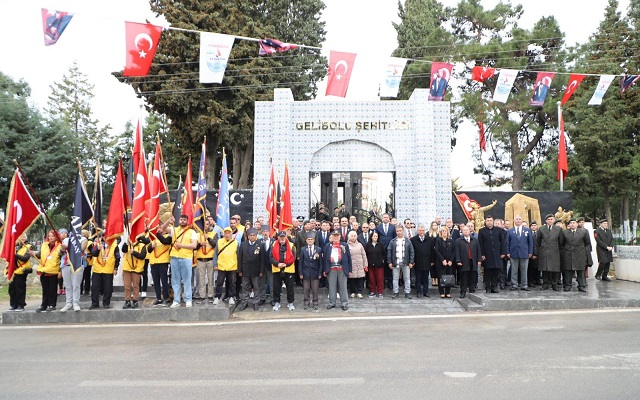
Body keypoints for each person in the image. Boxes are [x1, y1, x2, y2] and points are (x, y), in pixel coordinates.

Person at [167, 214, 198, 308]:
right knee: (175, 280)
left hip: (186, 258)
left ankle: (188, 299)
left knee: (187, 280)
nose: (183, 221)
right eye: (181, 219)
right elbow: (164, 229)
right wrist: (168, 221)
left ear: (187, 221)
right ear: (179, 220)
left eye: (184, 219)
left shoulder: (192, 232)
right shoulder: (174, 229)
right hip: (174, 258)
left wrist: (182, 246)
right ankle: (176, 300)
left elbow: (194, 245)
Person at [33, 230, 63, 312]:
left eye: (52, 236)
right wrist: (34, 254)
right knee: (45, 289)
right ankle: (44, 305)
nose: (51, 238)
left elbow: (62, 259)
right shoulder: (44, 245)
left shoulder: (60, 246)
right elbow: (39, 255)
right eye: (49, 236)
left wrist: (60, 271)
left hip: (54, 271)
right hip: (44, 270)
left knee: (52, 289)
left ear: (56, 237)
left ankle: (52, 304)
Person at [88, 233, 119, 309]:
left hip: (108, 269)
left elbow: (117, 257)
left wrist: (115, 268)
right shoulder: (97, 243)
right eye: (105, 237)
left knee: (108, 288)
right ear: (103, 237)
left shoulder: (114, 245)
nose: (107, 238)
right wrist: (98, 249)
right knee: (95, 287)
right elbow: (94, 254)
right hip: (97, 269)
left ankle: (106, 303)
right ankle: (95, 303)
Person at [560, 219, 593, 292]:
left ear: (577, 224)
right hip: (568, 254)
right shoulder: (564, 233)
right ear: (568, 225)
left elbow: (587, 242)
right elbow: (561, 243)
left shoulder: (583, 232)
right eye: (570, 223)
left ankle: (582, 286)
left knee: (581, 271)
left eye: (574, 223)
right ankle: (567, 285)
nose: (572, 224)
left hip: (580, 254)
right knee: (568, 271)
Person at [323, 230, 352, 311]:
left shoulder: (344, 245)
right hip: (331, 269)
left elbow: (349, 257)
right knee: (332, 287)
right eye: (334, 235)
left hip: (342, 268)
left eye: (337, 235)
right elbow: (324, 258)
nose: (336, 237)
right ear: (331, 237)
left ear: (340, 236)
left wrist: (349, 269)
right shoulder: (327, 246)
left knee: (343, 287)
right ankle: (332, 302)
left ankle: (344, 303)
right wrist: (324, 270)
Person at [237, 228, 265, 311]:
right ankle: (244, 302)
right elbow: (240, 258)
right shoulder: (243, 244)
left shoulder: (260, 245)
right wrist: (240, 270)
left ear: (256, 236)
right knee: (245, 287)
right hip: (245, 269)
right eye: (250, 235)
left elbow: (262, 259)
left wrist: (261, 271)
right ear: (248, 236)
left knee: (256, 287)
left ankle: (256, 302)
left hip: (256, 270)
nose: (252, 237)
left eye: (254, 235)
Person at [478, 215, 506, 293]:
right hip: (487, 255)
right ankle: (487, 287)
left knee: (496, 271)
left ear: (493, 221)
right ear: (485, 222)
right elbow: (480, 244)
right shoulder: (481, 231)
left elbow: (502, 242)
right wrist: (482, 254)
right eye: (488, 221)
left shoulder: (499, 230)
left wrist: (503, 252)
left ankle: (494, 287)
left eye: (490, 221)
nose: (489, 222)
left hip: (497, 254)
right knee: (487, 272)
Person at [270, 230, 297, 311]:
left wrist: (286, 264)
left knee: (290, 287)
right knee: (276, 287)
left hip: (288, 269)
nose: (282, 238)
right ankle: (277, 302)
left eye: (283, 236)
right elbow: (270, 257)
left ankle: (290, 302)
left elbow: (293, 257)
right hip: (277, 268)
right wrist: (277, 264)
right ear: (278, 237)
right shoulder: (273, 244)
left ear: (286, 237)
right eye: (280, 237)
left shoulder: (292, 245)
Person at [6, 233, 33, 312]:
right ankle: (13, 305)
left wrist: (15, 255)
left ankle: (20, 305)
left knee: (20, 288)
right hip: (12, 271)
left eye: (24, 236)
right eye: (21, 236)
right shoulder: (13, 246)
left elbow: (25, 258)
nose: (23, 238)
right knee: (12, 289)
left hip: (22, 270)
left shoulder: (28, 246)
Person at [213, 227, 239, 305]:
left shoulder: (236, 242)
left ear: (231, 234)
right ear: (223, 234)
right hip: (221, 266)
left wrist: (238, 267)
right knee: (219, 283)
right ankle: (217, 297)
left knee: (232, 283)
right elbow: (215, 254)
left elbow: (238, 255)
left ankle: (231, 297)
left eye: (229, 233)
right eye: (226, 233)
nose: (227, 235)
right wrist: (215, 264)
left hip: (232, 266)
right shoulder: (219, 241)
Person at [535, 214, 563, 291]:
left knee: (555, 269)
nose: (550, 221)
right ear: (546, 220)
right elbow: (538, 240)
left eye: (551, 219)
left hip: (554, 252)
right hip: (544, 251)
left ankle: (554, 284)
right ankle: (545, 284)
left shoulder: (558, 229)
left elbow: (561, 241)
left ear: (554, 220)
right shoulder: (541, 229)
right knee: (545, 269)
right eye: (548, 219)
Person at [506, 215, 533, 291]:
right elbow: (507, 243)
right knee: (514, 270)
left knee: (524, 270)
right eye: (516, 219)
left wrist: (530, 252)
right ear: (514, 221)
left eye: (519, 219)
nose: (518, 220)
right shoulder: (510, 231)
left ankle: (524, 285)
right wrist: (508, 252)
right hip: (513, 253)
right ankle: (514, 285)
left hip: (524, 253)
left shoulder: (527, 230)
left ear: (522, 220)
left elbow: (530, 242)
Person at [387, 225, 415, 299]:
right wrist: (389, 262)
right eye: (397, 231)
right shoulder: (392, 241)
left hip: (405, 262)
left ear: (403, 231)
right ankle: (396, 292)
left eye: (400, 231)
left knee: (407, 278)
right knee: (395, 278)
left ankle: (407, 292)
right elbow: (389, 252)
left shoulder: (408, 241)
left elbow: (412, 252)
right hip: (395, 262)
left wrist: (411, 262)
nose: (399, 232)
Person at [148, 224, 172, 305]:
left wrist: (157, 234)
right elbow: (148, 249)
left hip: (163, 262)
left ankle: (166, 297)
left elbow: (165, 242)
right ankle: (158, 298)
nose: (158, 230)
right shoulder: (153, 238)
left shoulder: (168, 237)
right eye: (157, 229)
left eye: (160, 228)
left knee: (164, 281)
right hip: (153, 263)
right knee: (156, 282)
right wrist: (152, 246)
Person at [454, 226, 481, 298]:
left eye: (467, 230)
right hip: (463, 261)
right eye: (464, 230)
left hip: (473, 261)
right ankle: (463, 291)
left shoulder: (475, 240)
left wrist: (479, 259)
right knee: (464, 277)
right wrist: (458, 260)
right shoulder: (458, 241)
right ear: (462, 232)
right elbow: (457, 252)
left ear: (469, 231)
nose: (466, 231)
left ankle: (472, 290)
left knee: (473, 276)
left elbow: (478, 250)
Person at [121, 234, 147, 309]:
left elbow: (142, 256)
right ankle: (127, 301)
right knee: (127, 286)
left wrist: (134, 253)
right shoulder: (128, 244)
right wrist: (126, 243)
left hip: (137, 269)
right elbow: (123, 250)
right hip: (127, 268)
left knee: (136, 286)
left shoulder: (142, 245)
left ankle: (135, 301)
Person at [299, 232, 323, 310]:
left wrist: (320, 273)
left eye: (311, 239)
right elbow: (300, 263)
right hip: (305, 272)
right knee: (306, 288)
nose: (310, 241)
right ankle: (306, 302)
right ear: (306, 240)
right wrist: (300, 273)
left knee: (315, 288)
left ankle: (315, 302)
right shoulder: (303, 249)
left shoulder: (318, 249)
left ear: (314, 240)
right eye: (308, 239)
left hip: (315, 272)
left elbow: (320, 263)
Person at [195, 219, 217, 303]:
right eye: (204, 224)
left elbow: (215, 244)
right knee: (201, 279)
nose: (205, 226)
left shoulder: (214, 234)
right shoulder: (197, 235)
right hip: (200, 259)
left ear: (210, 225)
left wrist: (208, 238)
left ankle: (211, 295)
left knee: (211, 278)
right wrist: (200, 244)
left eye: (207, 224)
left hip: (210, 259)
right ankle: (202, 295)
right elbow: (194, 247)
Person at [411, 224, 435, 298]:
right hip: (417, 262)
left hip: (427, 262)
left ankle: (426, 292)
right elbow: (412, 251)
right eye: (420, 230)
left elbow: (432, 251)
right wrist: (412, 261)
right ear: (417, 231)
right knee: (418, 278)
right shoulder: (413, 239)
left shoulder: (430, 239)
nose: (421, 232)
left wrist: (432, 261)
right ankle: (418, 292)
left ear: (425, 231)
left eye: (423, 230)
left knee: (426, 278)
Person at [435, 227, 455, 298]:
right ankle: (441, 292)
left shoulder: (451, 241)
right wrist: (443, 260)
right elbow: (437, 251)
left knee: (449, 277)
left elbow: (453, 252)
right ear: (440, 232)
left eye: (445, 231)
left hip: (449, 263)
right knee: (441, 277)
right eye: (443, 231)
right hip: (440, 262)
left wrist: (451, 260)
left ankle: (448, 292)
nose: (444, 232)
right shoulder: (438, 240)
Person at [347, 231, 368, 298]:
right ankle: (352, 292)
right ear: (349, 237)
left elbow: (364, 255)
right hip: (351, 265)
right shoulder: (346, 245)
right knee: (352, 279)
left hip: (360, 265)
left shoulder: (360, 245)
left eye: (354, 236)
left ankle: (359, 292)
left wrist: (365, 264)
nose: (353, 237)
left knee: (360, 279)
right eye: (352, 236)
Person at [365, 231, 386, 298]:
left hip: (379, 265)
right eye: (374, 236)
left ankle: (380, 292)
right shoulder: (368, 245)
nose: (375, 237)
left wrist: (382, 260)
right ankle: (372, 292)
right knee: (371, 279)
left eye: (376, 236)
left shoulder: (380, 245)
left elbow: (384, 254)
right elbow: (365, 254)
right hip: (370, 265)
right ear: (371, 237)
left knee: (380, 279)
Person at [258, 228, 273, 305]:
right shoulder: (258, 241)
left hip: (271, 266)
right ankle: (262, 298)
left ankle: (272, 299)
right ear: (261, 233)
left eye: (266, 231)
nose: (265, 233)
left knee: (272, 283)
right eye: (264, 231)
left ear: (269, 232)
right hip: (261, 266)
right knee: (261, 283)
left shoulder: (274, 241)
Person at [81, 229, 93, 296]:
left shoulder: (90, 243)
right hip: (80, 262)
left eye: (82, 234)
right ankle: (80, 290)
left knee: (87, 276)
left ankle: (86, 290)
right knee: (80, 277)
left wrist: (86, 255)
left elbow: (92, 252)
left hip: (87, 262)